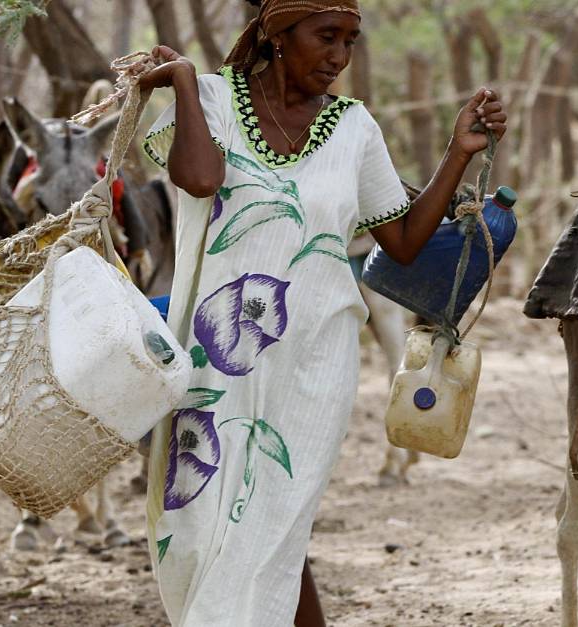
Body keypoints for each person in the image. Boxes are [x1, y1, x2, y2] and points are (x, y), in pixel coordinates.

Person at [137, 1, 507, 624]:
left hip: (314, 363)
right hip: (213, 361)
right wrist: (181, 82)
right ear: (278, 35)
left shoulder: (355, 128)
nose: (339, 56)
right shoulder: (210, 98)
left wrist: (459, 151)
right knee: (201, 529)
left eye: (350, 42)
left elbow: (405, 242)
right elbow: (199, 181)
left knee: (276, 531)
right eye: (326, 37)